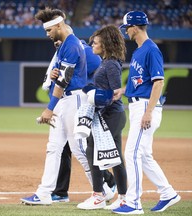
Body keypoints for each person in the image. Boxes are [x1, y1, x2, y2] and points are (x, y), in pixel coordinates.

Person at [20, 8, 97, 205]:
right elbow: (60, 76)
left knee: (79, 149)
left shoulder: (71, 46)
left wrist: (49, 108)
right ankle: (44, 193)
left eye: (49, 30)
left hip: (73, 100)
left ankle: (102, 191)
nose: (47, 34)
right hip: (65, 101)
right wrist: (55, 72)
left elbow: (63, 82)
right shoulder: (64, 44)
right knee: (53, 148)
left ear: (58, 26)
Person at [112, 11, 181, 214]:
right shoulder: (139, 50)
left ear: (134, 27)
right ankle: (168, 193)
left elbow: (159, 82)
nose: (126, 32)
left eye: (127, 28)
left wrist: (148, 112)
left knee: (131, 153)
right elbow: (142, 81)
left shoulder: (151, 49)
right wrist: (124, 91)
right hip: (137, 104)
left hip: (145, 107)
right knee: (144, 155)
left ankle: (133, 203)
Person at [51, 38, 116, 203]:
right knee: (66, 147)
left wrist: (81, 81)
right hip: (67, 103)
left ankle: (106, 184)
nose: (54, 41)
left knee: (81, 147)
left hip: (80, 101)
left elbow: (96, 65)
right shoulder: (62, 52)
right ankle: (60, 192)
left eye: (56, 37)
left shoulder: (80, 48)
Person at [77, 25, 127, 210]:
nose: (92, 44)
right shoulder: (105, 62)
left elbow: (115, 93)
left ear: (105, 44)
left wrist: (96, 95)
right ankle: (122, 197)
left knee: (93, 150)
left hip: (111, 114)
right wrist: (92, 90)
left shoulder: (111, 64)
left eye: (96, 42)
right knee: (115, 158)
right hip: (109, 115)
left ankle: (99, 196)